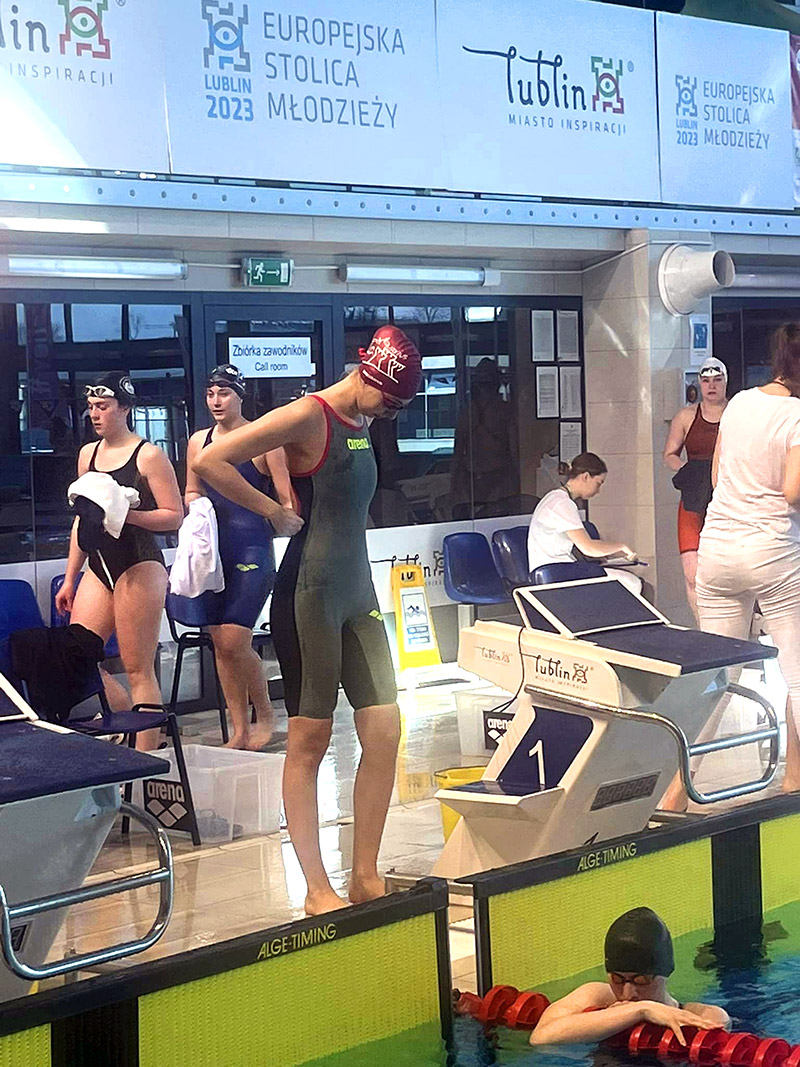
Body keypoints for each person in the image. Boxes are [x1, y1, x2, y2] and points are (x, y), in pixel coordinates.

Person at [194, 325, 422, 915]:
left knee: (385, 730)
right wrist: (272, 511)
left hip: (357, 594)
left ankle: (365, 875)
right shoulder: (308, 414)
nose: (392, 414)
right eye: (392, 401)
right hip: (308, 596)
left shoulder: (362, 419)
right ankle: (318, 889)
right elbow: (212, 460)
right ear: (367, 375)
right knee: (309, 740)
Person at [661, 326, 800, 812]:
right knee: (797, 674)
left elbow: (718, 476)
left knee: (716, 679)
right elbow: (792, 491)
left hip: (718, 551)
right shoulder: (796, 415)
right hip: (771, 553)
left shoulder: (739, 403)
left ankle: (676, 794)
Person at [55, 373, 183, 750]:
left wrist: (127, 515)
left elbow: (174, 516)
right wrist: (69, 578)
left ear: (124, 408)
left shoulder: (149, 455)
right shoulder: (88, 455)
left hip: (139, 562)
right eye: (91, 407)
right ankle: (132, 719)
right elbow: (83, 520)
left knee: (137, 667)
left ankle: (147, 754)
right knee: (80, 655)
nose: (95, 414)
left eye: (103, 406)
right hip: (99, 565)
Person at [183, 364, 294, 750]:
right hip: (215, 550)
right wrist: (197, 511)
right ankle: (239, 729)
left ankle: (265, 714)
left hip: (252, 548)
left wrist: (282, 518)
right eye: (210, 394)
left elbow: (286, 501)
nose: (216, 401)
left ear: (240, 396)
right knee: (220, 641)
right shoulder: (198, 442)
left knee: (234, 639)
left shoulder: (264, 441)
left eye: (224, 393)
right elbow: (192, 490)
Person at [530, 907, 729, 1047]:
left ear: (665, 972)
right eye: (617, 979)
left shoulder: (702, 1016)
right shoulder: (596, 995)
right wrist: (642, 1009)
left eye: (640, 981)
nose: (628, 994)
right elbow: (540, 1037)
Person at [663, 357, 728, 621]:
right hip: (693, 498)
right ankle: (703, 628)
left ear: (725, 382)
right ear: (699, 384)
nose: (712, 386)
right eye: (706, 381)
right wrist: (687, 470)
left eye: (717, 380)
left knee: (728, 571)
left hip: (727, 498)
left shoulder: (738, 413)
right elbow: (669, 455)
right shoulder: (686, 416)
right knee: (692, 574)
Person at [527, 452, 641, 594]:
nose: (598, 491)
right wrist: (621, 547)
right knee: (631, 583)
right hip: (556, 571)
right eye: (598, 483)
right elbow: (588, 548)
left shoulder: (553, 498)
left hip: (554, 569)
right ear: (585, 477)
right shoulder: (562, 503)